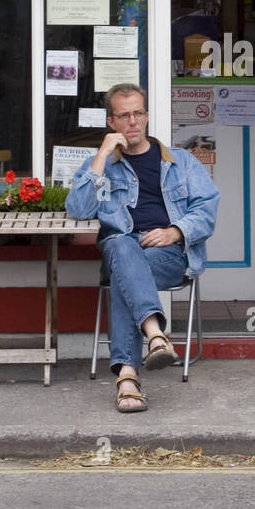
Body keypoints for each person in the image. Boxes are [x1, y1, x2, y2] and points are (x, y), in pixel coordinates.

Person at [66, 84, 220, 413]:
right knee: (122, 245)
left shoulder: (180, 161)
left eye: (138, 113)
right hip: (123, 249)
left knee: (124, 270)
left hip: (169, 256)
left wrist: (176, 231)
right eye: (124, 116)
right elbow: (78, 208)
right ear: (112, 122)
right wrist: (102, 155)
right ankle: (155, 336)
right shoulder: (102, 163)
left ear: (147, 116)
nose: (132, 121)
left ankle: (127, 376)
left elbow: (207, 210)